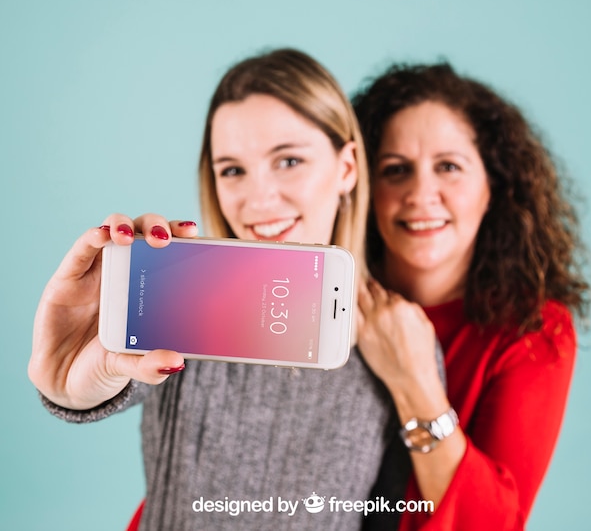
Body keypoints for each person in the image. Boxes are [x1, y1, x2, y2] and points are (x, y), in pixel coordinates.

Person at [28, 48, 444, 531]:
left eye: (288, 160)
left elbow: (387, 516)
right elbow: (103, 385)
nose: (259, 199)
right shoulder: (186, 300)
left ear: (347, 168)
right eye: (232, 170)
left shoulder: (403, 342)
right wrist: (69, 384)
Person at [352, 62, 591, 530]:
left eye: (449, 167)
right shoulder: (325, 298)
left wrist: (413, 382)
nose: (421, 194)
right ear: (363, 188)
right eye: (395, 170)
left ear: (493, 188)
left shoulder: (533, 330)